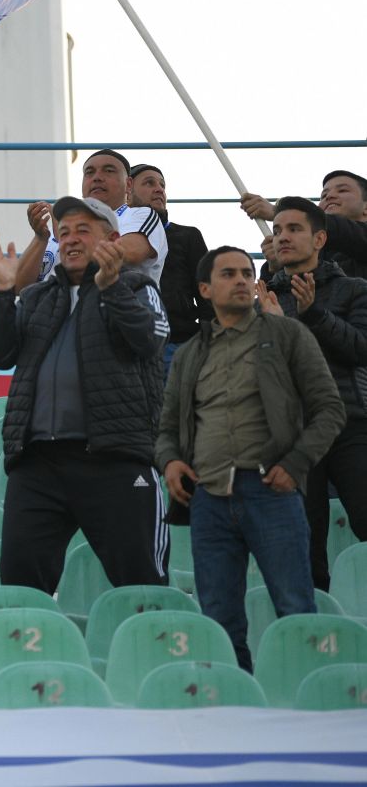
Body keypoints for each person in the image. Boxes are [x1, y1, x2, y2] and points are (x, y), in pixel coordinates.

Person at [156, 246, 344, 671]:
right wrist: (170, 462)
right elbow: (166, 428)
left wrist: (295, 466)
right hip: (208, 499)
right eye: (229, 274)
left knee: (295, 608)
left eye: (246, 272)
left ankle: (306, 706)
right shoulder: (188, 354)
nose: (241, 280)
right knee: (219, 618)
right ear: (205, 289)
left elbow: (330, 409)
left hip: (272, 492)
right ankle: (234, 714)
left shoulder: (289, 335)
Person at [0, 196, 171, 593]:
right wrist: (3, 290)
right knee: (20, 587)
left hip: (115, 459)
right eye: (63, 232)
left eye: (83, 230)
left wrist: (112, 286)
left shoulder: (138, 286)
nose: (70, 239)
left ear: (112, 239)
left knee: (142, 587)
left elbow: (149, 340)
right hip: (37, 465)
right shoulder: (36, 296)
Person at [259, 197, 367, 591]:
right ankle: (314, 629)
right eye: (277, 230)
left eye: (293, 229)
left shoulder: (355, 289)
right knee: (302, 542)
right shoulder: (265, 298)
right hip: (293, 436)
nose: (282, 237)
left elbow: (360, 349)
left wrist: (314, 315)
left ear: (320, 238)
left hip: (350, 424)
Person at [14, 149, 168, 292]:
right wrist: (41, 238)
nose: (97, 178)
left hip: (118, 315)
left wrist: (66, 241)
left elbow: (131, 252)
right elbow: (20, 286)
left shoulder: (140, 215)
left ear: (128, 184)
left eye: (108, 171)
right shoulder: (59, 230)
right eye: (89, 173)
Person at [129, 163, 210, 371]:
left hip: (179, 345)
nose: (159, 189)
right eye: (149, 183)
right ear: (128, 190)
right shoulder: (114, 234)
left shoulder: (188, 236)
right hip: (128, 344)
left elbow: (207, 293)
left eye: (162, 185)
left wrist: (209, 341)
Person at [242, 171, 367, 280]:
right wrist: (276, 268)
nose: (329, 196)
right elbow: (275, 302)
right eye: (323, 195)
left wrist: (281, 212)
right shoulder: (310, 253)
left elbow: (348, 233)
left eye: (342, 190)